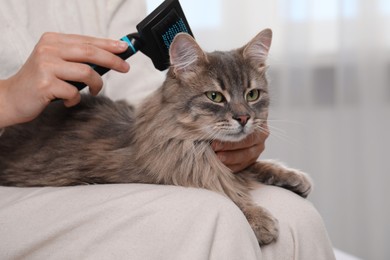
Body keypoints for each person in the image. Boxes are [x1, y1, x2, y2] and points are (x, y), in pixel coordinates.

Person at [0, 0, 336, 259]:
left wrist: (240, 153)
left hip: (120, 124)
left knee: (295, 217)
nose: (241, 113)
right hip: (16, 171)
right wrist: (8, 97)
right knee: (209, 216)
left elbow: (147, 93)